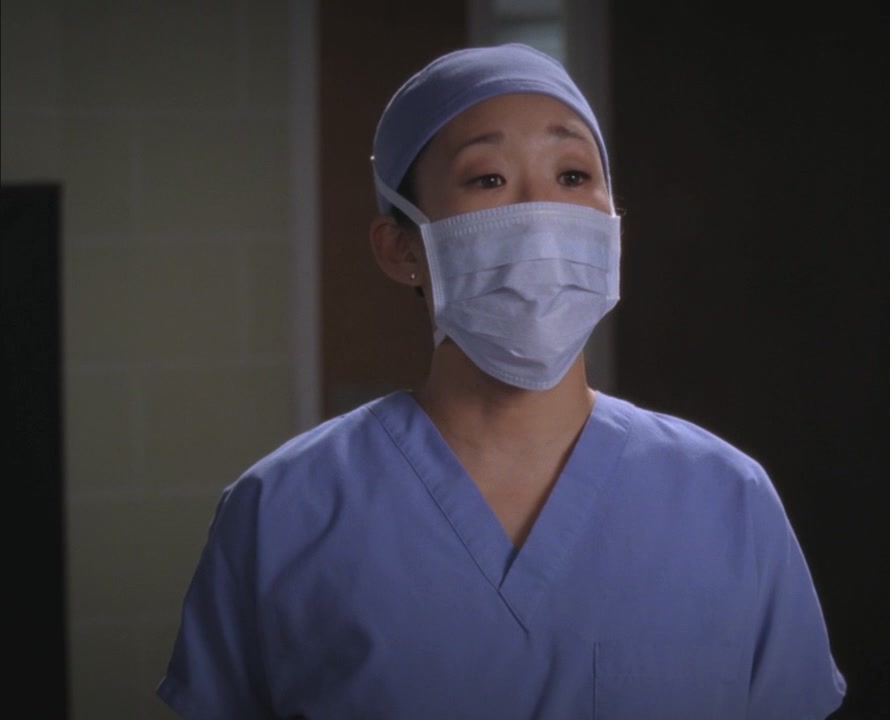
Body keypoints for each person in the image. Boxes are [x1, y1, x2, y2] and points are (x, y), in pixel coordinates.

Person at [157, 43, 846, 719]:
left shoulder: (726, 500)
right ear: (401, 248)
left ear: (613, 225)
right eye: (488, 179)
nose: (542, 214)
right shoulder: (283, 513)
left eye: (572, 175)